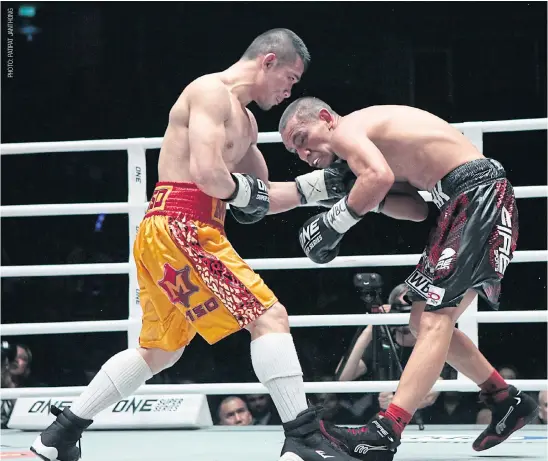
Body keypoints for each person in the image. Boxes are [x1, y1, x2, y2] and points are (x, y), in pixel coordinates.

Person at [29, 29, 359, 461]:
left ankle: (58, 435)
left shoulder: (246, 122)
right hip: (181, 224)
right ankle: (301, 436)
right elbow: (208, 176)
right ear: (269, 60)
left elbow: (258, 199)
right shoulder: (208, 92)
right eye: (290, 78)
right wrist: (248, 194)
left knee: (160, 351)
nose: (289, 90)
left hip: (179, 231)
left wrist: (326, 186)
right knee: (269, 317)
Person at [277, 98, 539, 460]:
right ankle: (505, 400)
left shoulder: (347, 129)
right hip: (455, 203)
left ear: (325, 118)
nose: (304, 153)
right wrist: (368, 197)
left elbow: (378, 178)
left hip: (478, 194)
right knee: (421, 322)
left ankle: (387, 430)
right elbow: (415, 210)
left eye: (302, 138)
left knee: (435, 320)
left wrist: (334, 221)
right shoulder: (368, 152)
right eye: (295, 150)